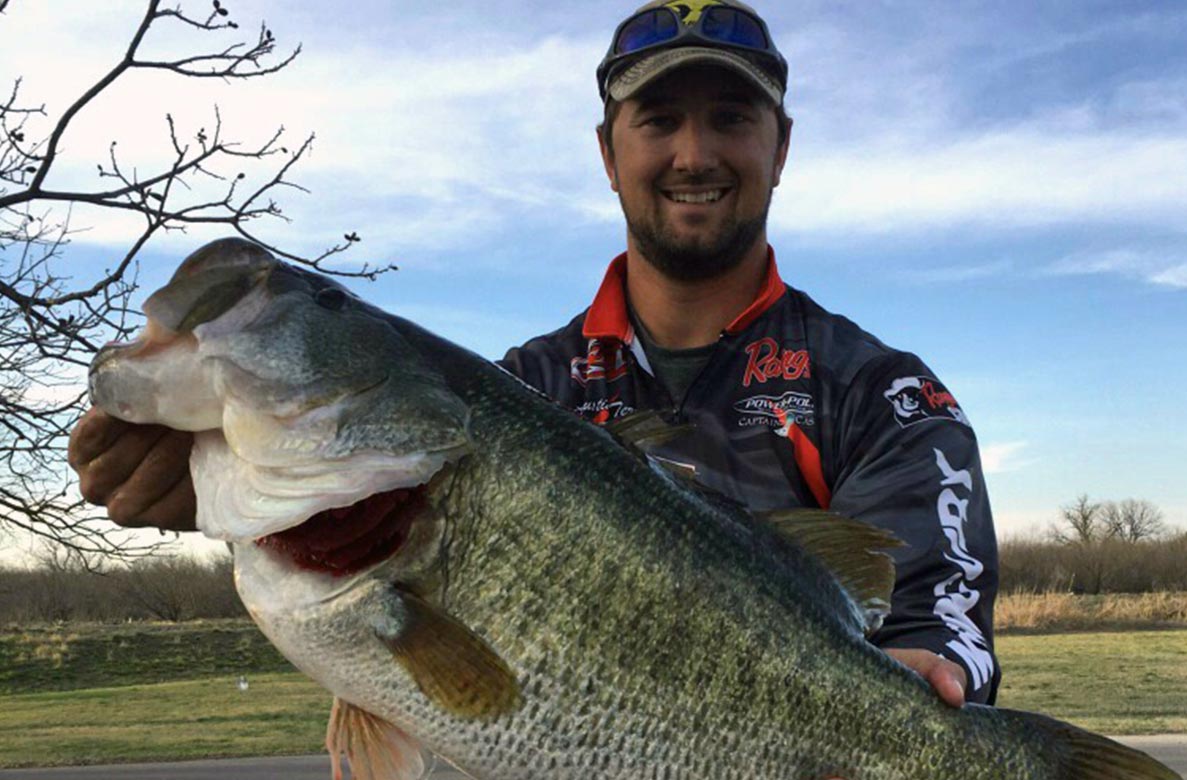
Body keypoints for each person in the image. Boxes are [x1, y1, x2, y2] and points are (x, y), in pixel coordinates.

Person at [69, 0, 997, 727]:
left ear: (780, 147)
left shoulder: (882, 395)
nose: (693, 151)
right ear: (608, 152)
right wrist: (216, 491)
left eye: (730, 118)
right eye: (658, 119)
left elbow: (927, 625)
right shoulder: (524, 392)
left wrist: (929, 688)